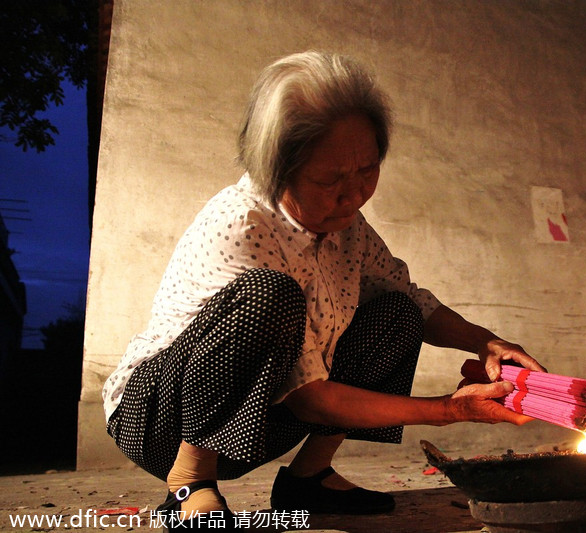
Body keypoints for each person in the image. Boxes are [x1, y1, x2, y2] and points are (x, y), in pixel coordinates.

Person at [102, 51, 546, 528]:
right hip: (161, 421)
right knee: (268, 296)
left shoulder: (345, 225)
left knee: (398, 314)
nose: (354, 195)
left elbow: (411, 296)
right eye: (330, 179)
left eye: (367, 171)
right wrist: (447, 411)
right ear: (278, 169)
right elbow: (309, 397)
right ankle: (189, 484)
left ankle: (306, 481)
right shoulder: (243, 223)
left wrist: (488, 342)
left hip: (259, 424)